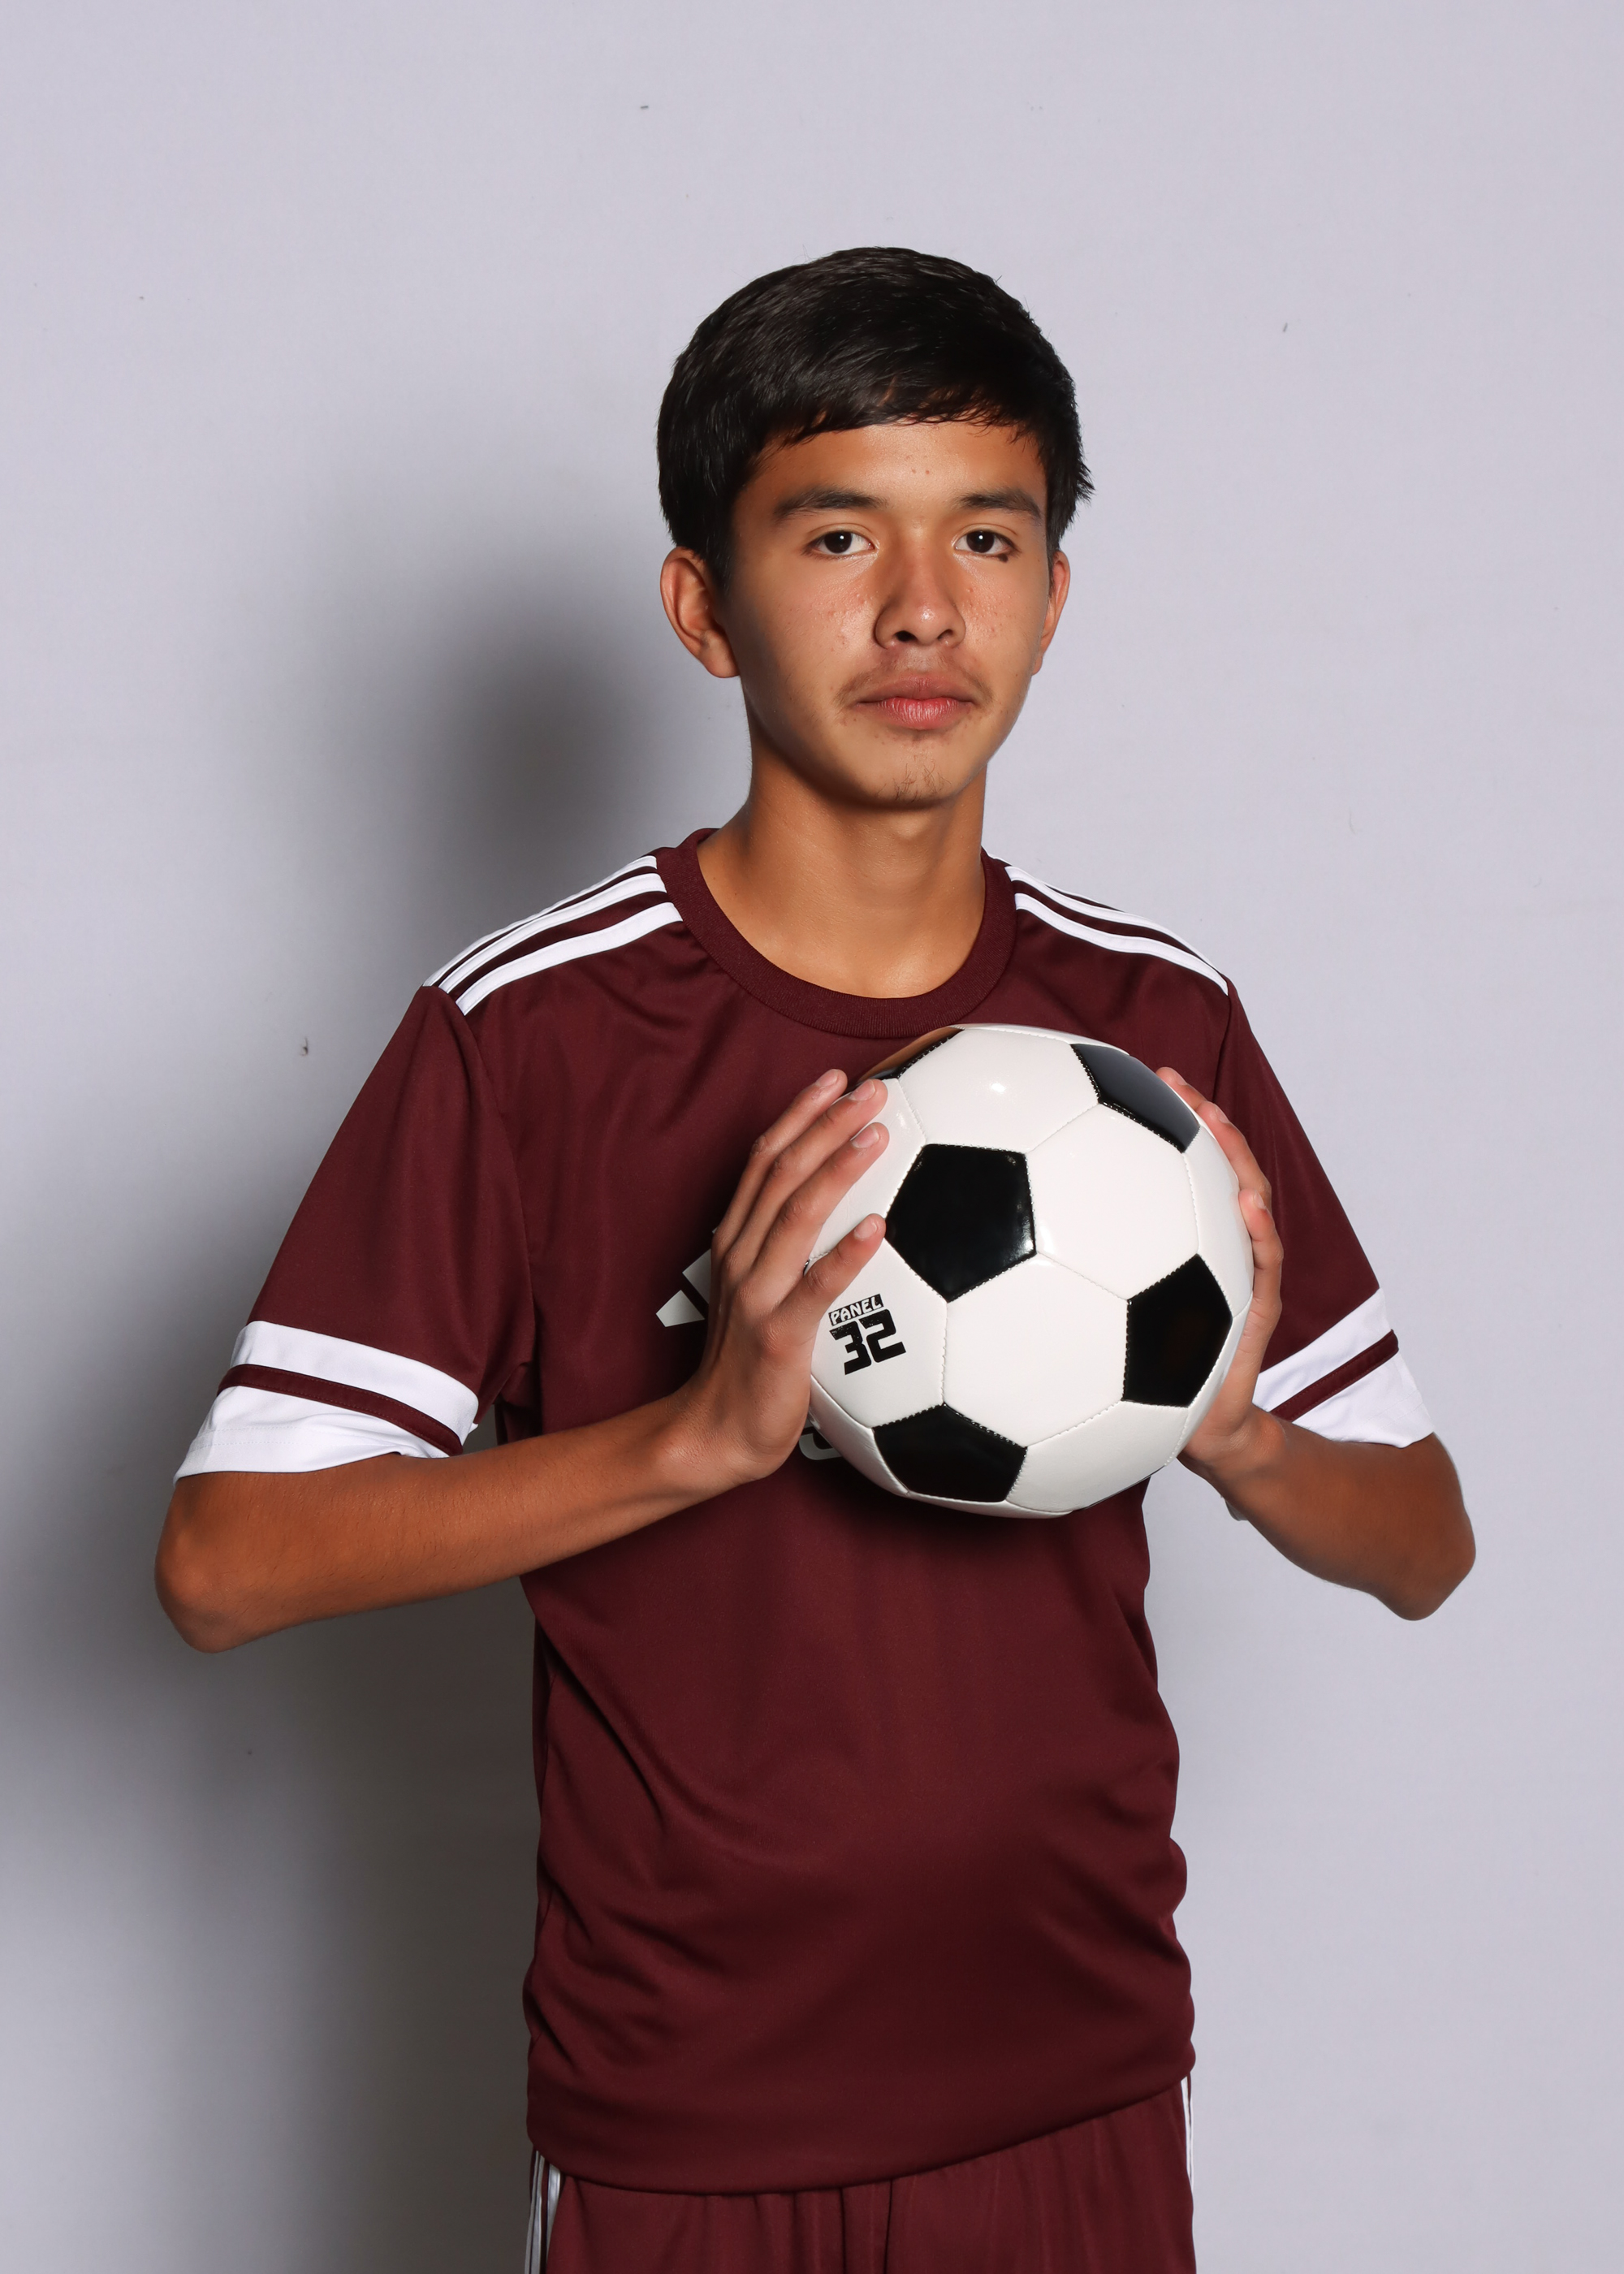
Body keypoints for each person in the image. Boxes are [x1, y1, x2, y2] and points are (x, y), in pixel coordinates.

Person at [157, 247, 1475, 2272]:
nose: (921, 606)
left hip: (1081, 2077)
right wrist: (691, 1437)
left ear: (1052, 594)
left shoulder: (1152, 1028)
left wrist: (1235, 1434)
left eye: (987, 536)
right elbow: (227, 1563)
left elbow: (1423, 1539)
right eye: (839, 534)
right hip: (691, 2125)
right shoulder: (532, 1032)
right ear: (703, 605)